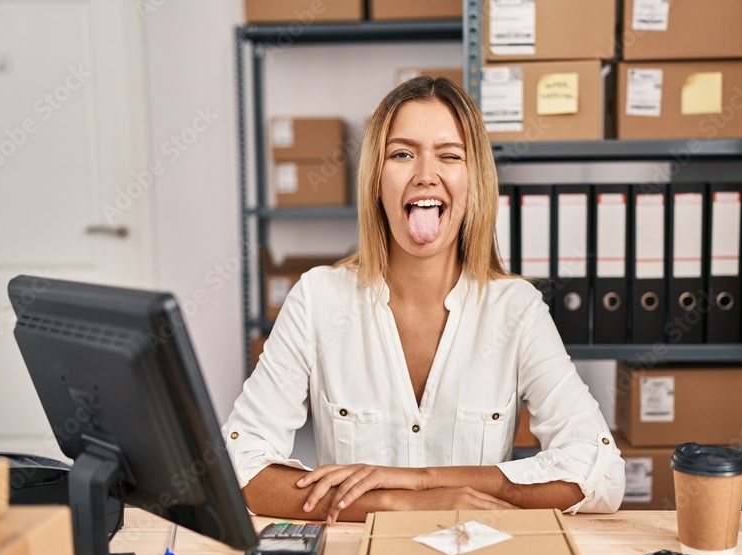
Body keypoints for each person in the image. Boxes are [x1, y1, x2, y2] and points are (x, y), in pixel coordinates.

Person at [223, 76, 625, 523]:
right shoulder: (318, 299)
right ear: (376, 179)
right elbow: (244, 464)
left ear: (475, 182)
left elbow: (602, 472)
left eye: (449, 155)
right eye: (402, 154)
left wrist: (426, 479)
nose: (425, 174)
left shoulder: (517, 310)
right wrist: (400, 501)